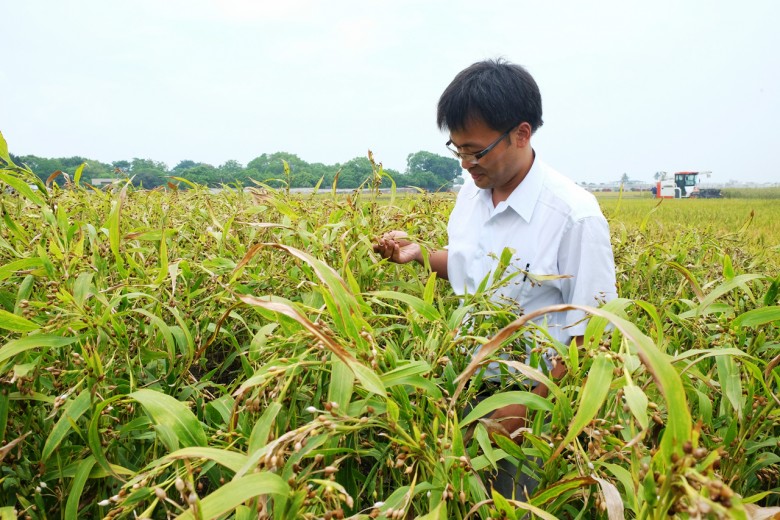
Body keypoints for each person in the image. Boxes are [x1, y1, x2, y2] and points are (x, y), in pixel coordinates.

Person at [373, 58, 617, 498]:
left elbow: (593, 335)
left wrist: (525, 407)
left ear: (521, 133)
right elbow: (476, 271)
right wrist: (422, 255)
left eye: (476, 150)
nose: (466, 163)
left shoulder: (574, 216)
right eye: (457, 149)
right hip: (463, 382)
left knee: (512, 504)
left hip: (532, 399)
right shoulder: (472, 193)